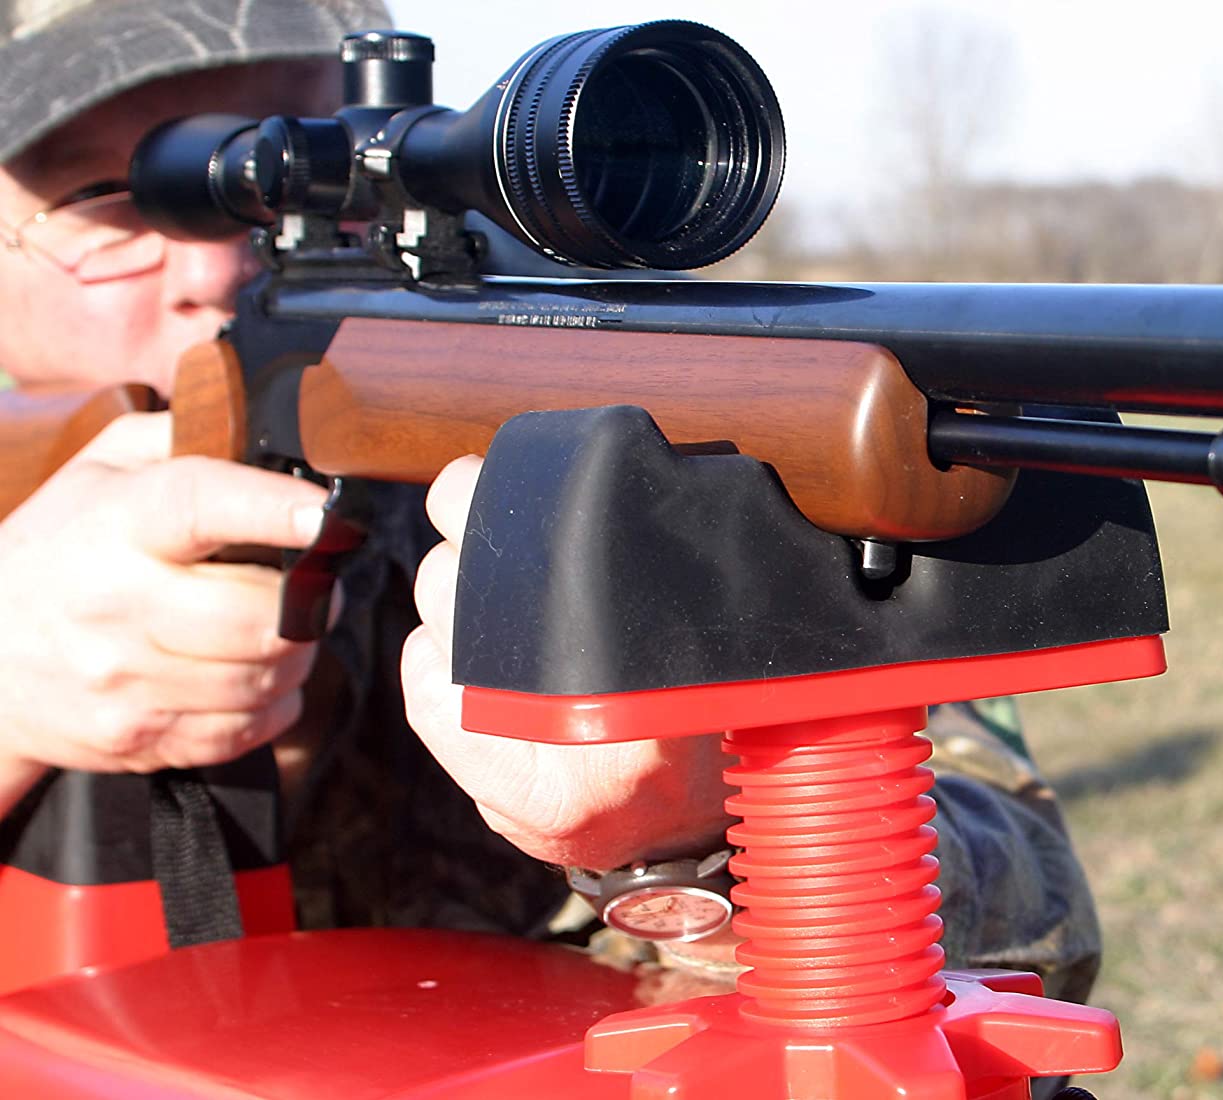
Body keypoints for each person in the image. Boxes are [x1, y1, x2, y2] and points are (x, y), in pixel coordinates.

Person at [0, 0, 1101, 1019]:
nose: (217, 257)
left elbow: (1034, 902)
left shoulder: (604, 412)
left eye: (310, 165)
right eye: (109, 196)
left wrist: (700, 834)